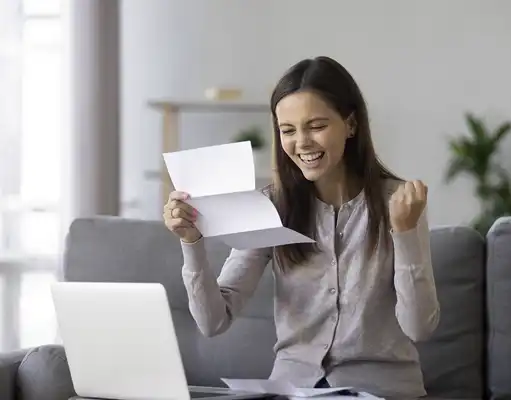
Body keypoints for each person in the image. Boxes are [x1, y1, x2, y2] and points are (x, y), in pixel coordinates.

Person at [163, 56, 440, 399]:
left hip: (381, 391)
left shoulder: (399, 203)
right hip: (295, 390)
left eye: (317, 125)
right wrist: (191, 243)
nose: (302, 142)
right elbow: (213, 322)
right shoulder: (271, 207)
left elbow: (419, 327)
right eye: (288, 130)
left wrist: (405, 233)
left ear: (350, 124)